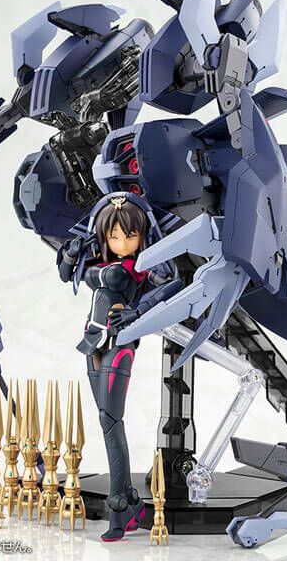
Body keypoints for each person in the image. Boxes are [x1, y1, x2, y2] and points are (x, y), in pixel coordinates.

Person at [58, 194, 178, 541]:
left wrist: (138, 312)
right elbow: (66, 274)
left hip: (119, 342)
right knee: (106, 422)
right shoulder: (98, 256)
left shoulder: (142, 265)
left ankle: (119, 504)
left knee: (111, 422)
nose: (122, 242)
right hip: (92, 341)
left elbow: (173, 282)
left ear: (142, 235)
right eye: (114, 236)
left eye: (130, 235)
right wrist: (71, 252)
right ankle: (130, 503)